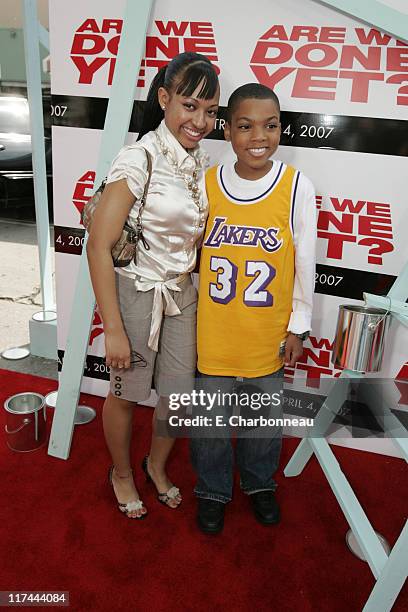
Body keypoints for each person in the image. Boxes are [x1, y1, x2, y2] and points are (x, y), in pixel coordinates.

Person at [86, 52, 219, 519]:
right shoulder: (138, 157)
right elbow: (98, 246)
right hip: (138, 293)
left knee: (178, 398)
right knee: (126, 392)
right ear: (164, 99)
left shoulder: (200, 162)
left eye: (210, 111)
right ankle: (122, 473)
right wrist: (114, 330)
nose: (200, 120)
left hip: (183, 294)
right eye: (189, 105)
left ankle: (155, 465)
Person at [191, 83, 316, 534]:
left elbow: (305, 262)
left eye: (270, 125)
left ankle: (260, 484)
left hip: (267, 331)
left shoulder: (296, 184)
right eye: (245, 126)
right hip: (214, 332)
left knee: (262, 421)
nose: (258, 136)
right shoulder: (206, 184)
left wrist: (298, 327)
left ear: (281, 128)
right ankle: (211, 490)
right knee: (209, 423)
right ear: (227, 131)